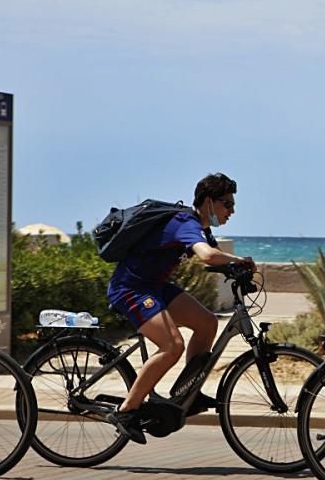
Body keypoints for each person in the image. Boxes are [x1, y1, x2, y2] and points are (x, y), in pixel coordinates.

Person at [105, 173, 255, 444]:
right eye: (227, 204)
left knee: (207, 323)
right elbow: (207, 255)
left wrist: (236, 269)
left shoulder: (199, 227)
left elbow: (214, 258)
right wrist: (241, 260)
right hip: (131, 289)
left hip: (155, 286)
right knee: (172, 345)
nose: (232, 210)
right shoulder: (185, 222)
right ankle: (126, 411)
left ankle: (189, 391)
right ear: (209, 202)